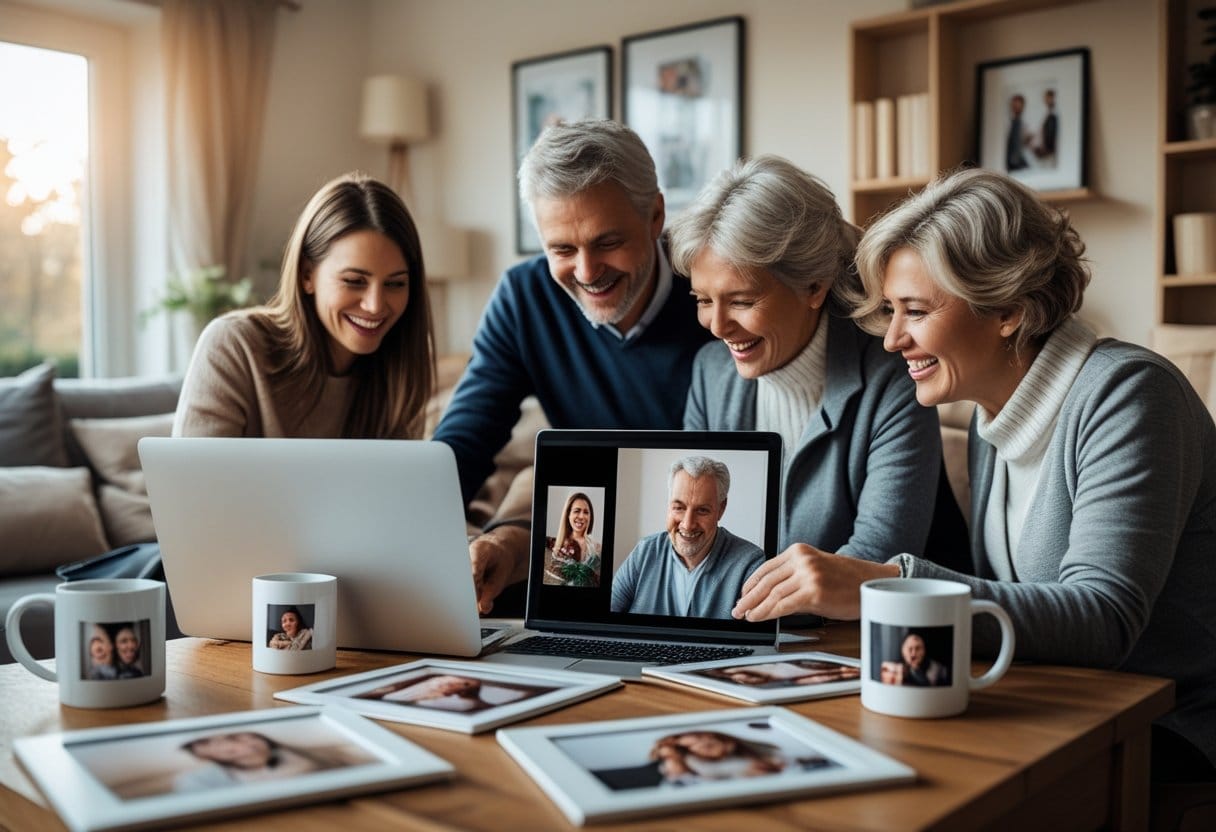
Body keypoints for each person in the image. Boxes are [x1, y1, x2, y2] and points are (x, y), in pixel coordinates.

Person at [732, 167, 1216, 779]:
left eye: (914, 310)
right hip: (1049, 712)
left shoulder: (1129, 397)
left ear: (1008, 308)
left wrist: (885, 584)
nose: (893, 340)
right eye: (890, 312)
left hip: (1164, 731)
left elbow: (1104, 618)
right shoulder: (994, 411)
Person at [432, 119, 713, 614]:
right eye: (562, 249)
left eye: (607, 243)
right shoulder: (524, 297)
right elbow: (466, 439)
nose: (586, 272)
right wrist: (413, 533)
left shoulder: (713, 291)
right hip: (594, 550)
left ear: (655, 216)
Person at [669, 154, 958, 571]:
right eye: (703, 300)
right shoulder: (709, 373)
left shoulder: (894, 378)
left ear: (814, 286)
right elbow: (691, 544)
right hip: (753, 624)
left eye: (743, 301)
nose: (717, 326)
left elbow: (878, 558)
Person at [174, 172, 434, 439]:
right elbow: (189, 479)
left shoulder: (401, 371)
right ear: (306, 275)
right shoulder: (234, 345)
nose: (375, 306)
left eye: (395, 284)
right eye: (354, 281)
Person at [611, 456, 763, 618]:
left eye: (702, 510)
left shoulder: (751, 565)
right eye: (679, 507)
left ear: (721, 509)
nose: (687, 524)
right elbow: (602, 620)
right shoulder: (644, 553)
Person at [173, 731, 346, 792]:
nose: (246, 748)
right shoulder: (200, 780)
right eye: (230, 751)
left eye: (235, 740)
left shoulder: (306, 752)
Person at [544, 491, 602, 587]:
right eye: (577, 511)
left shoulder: (597, 549)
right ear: (568, 514)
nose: (581, 516)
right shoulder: (551, 546)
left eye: (586, 512)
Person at [880, 632, 949, 687]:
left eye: (918, 648)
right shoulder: (891, 668)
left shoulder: (938, 669)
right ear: (903, 650)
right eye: (910, 649)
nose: (913, 654)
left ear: (924, 650)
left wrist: (916, 669)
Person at [1005, 94, 1030, 172]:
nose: (1016, 108)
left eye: (1019, 106)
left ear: (1023, 107)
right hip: (1008, 164)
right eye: (1014, 105)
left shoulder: (1026, 125)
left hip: (1020, 162)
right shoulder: (1006, 124)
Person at [1033, 88, 1058, 165]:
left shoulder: (1054, 115)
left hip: (1050, 153)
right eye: (1046, 98)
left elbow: (1051, 134)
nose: (1046, 100)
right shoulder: (1046, 114)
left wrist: (1046, 150)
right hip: (1045, 152)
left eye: (1048, 98)